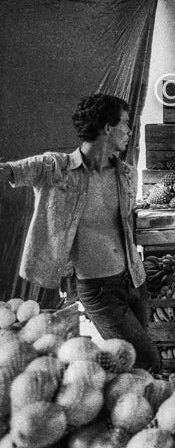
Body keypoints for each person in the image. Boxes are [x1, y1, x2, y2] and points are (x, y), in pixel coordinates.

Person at [0, 94, 161, 372]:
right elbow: (9, 172)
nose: (130, 130)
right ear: (107, 128)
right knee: (149, 362)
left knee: (136, 367)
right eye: (125, 123)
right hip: (99, 289)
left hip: (135, 280)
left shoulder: (126, 174)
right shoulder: (54, 168)